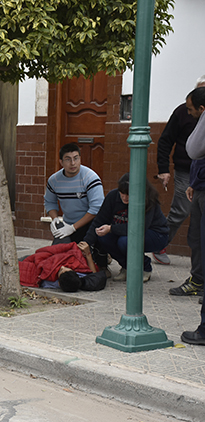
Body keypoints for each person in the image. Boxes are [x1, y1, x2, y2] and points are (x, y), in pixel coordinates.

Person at [154, 75, 205, 267]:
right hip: (186, 169)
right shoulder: (183, 112)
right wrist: (163, 169)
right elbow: (166, 140)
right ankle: (159, 243)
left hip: (201, 173)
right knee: (181, 210)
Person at [83, 173, 169, 283]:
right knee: (104, 237)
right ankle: (126, 267)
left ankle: (145, 268)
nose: (125, 197)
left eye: (128, 194)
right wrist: (86, 242)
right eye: (122, 193)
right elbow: (99, 220)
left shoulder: (147, 200)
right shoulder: (113, 196)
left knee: (125, 241)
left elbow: (139, 228)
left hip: (156, 235)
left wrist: (111, 229)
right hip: (125, 233)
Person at [181, 87, 205, 345]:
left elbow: (193, 148)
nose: (189, 114)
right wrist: (194, 181)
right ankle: (198, 280)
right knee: (196, 240)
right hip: (199, 187)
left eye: (191, 110)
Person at [44, 143, 104, 245]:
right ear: (61, 162)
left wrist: (73, 228)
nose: (73, 163)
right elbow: (49, 202)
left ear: (80, 159)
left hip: (91, 225)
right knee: (58, 254)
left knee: (84, 256)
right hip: (68, 223)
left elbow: (96, 209)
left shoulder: (90, 178)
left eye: (76, 158)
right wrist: (55, 219)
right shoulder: (54, 180)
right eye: (68, 159)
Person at [19, 241, 106, 292]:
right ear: (75, 272)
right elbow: (93, 274)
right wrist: (88, 254)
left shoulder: (50, 283)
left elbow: (39, 278)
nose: (62, 267)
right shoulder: (79, 277)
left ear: (59, 283)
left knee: (22, 262)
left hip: (40, 260)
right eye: (66, 268)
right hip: (54, 255)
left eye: (61, 270)